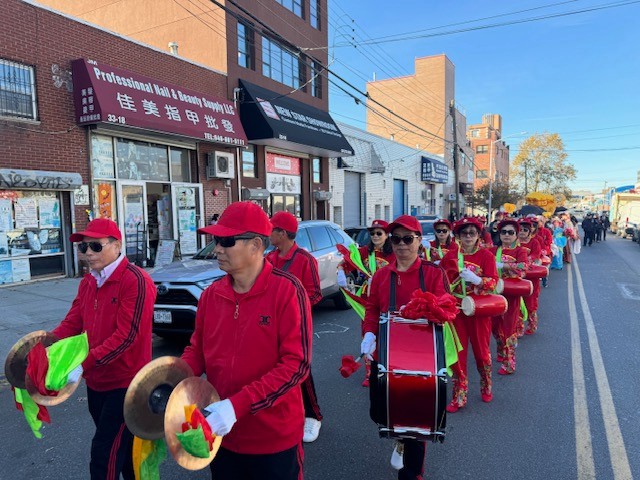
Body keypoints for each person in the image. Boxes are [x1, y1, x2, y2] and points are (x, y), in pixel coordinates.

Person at [181, 202, 312, 480]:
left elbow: (296, 365)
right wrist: (173, 380)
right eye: (216, 240)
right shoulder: (211, 295)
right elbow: (197, 351)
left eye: (226, 241)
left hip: (273, 439)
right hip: (221, 434)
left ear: (255, 245)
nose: (217, 248)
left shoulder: (288, 291)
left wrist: (236, 405)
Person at [50, 218, 156, 480]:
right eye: (83, 248)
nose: (87, 254)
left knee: (104, 454)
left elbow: (127, 335)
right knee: (126, 453)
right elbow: (73, 322)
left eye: (95, 247)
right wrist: (46, 347)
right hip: (97, 383)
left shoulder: (136, 280)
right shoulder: (88, 281)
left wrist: (82, 364)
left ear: (116, 245)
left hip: (127, 385)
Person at [361, 215, 450, 479]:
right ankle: (399, 440)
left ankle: (413, 472)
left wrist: (427, 309)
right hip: (387, 355)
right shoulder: (380, 276)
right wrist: (368, 333)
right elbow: (372, 309)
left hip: (423, 358)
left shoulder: (433, 273)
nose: (401, 245)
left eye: (408, 239)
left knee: (416, 418)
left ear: (420, 241)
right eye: (396, 239)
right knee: (380, 411)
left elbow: (447, 308)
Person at [266, 211, 323, 443]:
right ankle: (285, 414)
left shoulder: (304, 259)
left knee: (301, 372)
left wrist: (290, 308)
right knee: (275, 370)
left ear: (282, 233)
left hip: (297, 326)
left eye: (272, 229)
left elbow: (315, 294)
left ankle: (313, 416)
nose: (268, 233)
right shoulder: (269, 259)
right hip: (271, 327)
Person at [441, 217, 498, 412]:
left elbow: (494, 284)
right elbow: (440, 281)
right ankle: (459, 395)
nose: (468, 237)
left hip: (479, 310)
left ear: (478, 235)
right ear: (457, 236)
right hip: (457, 311)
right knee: (458, 354)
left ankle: (486, 384)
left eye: (472, 233)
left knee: (482, 353)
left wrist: (477, 280)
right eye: (463, 233)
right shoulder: (450, 256)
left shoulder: (486, 256)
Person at [337, 219, 395, 387]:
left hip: (387, 298)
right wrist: (341, 272)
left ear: (386, 235)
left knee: (387, 333)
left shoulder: (392, 253)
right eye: (372, 233)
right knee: (367, 333)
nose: (375, 236)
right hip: (367, 299)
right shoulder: (364, 251)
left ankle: (388, 367)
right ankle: (370, 372)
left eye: (379, 233)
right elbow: (346, 262)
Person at [490, 218, 527, 375]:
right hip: (494, 294)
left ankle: (509, 363)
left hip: (511, 294)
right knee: (495, 326)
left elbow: (523, 267)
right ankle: (500, 352)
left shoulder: (520, 251)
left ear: (516, 235)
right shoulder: (493, 250)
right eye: (503, 232)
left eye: (510, 232)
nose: (506, 235)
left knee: (509, 328)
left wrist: (503, 265)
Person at [517, 218, 542, 336]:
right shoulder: (514, 242)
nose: (522, 232)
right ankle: (519, 328)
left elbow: (535, 255)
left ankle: (532, 324)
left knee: (530, 304)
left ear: (529, 231)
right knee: (517, 305)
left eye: (525, 230)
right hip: (517, 277)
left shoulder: (534, 242)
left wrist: (524, 261)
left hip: (530, 278)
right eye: (520, 229)